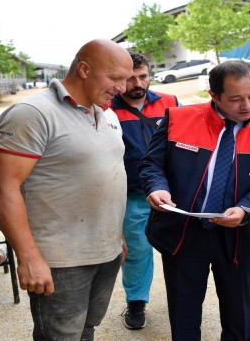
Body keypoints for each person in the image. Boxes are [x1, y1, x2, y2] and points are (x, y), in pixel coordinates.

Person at [0, 39, 132, 340]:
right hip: (60, 262)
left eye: (126, 79)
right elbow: (1, 190)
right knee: (60, 336)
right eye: (116, 78)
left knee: (87, 329)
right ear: (84, 69)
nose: (123, 88)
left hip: (105, 252)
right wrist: (28, 257)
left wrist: (117, 237)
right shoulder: (32, 114)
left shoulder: (105, 113)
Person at [138, 60, 250, 340]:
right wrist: (156, 187)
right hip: (184, 231)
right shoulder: (178, 118)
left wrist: (245, 209)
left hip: (237, 235)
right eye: (236, 98)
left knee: (239, 315)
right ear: (214, 95)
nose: (247, 106)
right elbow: (151, 164)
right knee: (184, 311)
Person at [105, 51, 179, 330]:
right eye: (130, 78)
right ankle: (136, 302)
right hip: (131, 194)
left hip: (171, 193)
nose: (137, 83)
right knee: (136, 251)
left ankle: (183, 299)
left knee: (180, 250)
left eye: (143, 76)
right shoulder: (106, 108)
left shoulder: (171, 103)